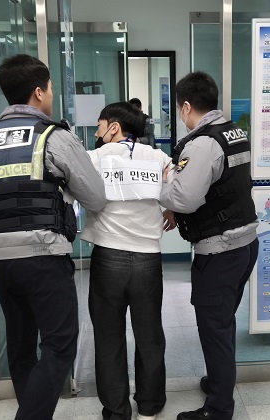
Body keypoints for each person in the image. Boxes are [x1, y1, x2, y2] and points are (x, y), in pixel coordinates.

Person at [0, 54, 107, 420]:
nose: (52, 95)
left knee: (21, 345)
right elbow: (95, 197)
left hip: (1, 260)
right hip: (44, 257)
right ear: (39, 92)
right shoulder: (54, 137)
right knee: (60, 345)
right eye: (51, 89)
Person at [160, 72, 260, 420]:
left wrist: (167, 182)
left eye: (179, 109)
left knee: (214, 328)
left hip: (220, 250)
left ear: (186, 106)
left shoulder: (202, 144)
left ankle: (218, 408)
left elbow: (184, 198)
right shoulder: (234, 133)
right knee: (223, 321)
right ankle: (220, 381)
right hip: (245, 244)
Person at [81, 101, 174, 420]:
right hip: (148, 259)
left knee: (108, 338)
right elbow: (177, 193)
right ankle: (150, 405)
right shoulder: (158, 157)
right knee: (150, 336)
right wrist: (171, 210)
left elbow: (75, 194)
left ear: (114, 127)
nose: (96, 133)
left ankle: (117, 411)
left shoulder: (93, 158)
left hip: (108, 257)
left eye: (99, 126)